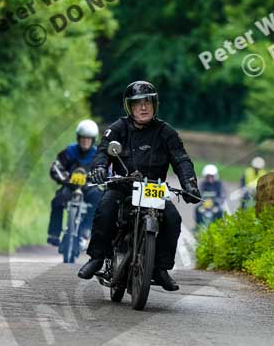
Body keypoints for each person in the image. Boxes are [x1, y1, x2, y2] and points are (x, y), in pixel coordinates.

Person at [77, 80, 200, 291]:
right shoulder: (118, 128)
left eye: (147, 102)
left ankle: (160, 268)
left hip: (153, 189)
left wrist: (190, 184)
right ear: (130, 107)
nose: (143, 107)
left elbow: (181, 159)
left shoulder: (166, 132)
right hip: (122, 185)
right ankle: (97, 258)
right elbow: (102, 151)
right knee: (105, 209)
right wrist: (98, 168)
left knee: (173, 218)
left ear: (154, 105)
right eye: (137, 103)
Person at [47, 119, 102, 248]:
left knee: (99, 199)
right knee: (57, 201)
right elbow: (57, 167)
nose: (85, 141)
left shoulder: (98, 155)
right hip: (70, 186)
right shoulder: (70, 151)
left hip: (89, 187)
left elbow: (104, 170)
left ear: (93, 140)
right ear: (78, 138)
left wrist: (99, 178)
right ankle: (54, 234)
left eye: (88, 139)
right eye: (83, 138)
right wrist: (63, 177)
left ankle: (85, 230)